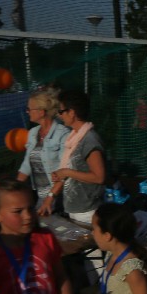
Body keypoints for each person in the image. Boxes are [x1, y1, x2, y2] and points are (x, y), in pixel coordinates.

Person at [50, 89, 107, 225]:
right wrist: (50, 196)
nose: (59, 115)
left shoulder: (89, 140)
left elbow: (99, 177)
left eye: (61, 111)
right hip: (75, 210)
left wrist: (66, 172)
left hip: (88, 212)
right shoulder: (73, 138)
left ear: (72, 112)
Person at [16, 86, 70, 216]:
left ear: (41, 112)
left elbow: (65, 170)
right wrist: (13, 188)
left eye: (29, 109)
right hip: (42, 197)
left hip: (61, 197)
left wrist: (50, 198)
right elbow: (26, 165)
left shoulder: (63, 134)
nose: (27, 112)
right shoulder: (32, 133)